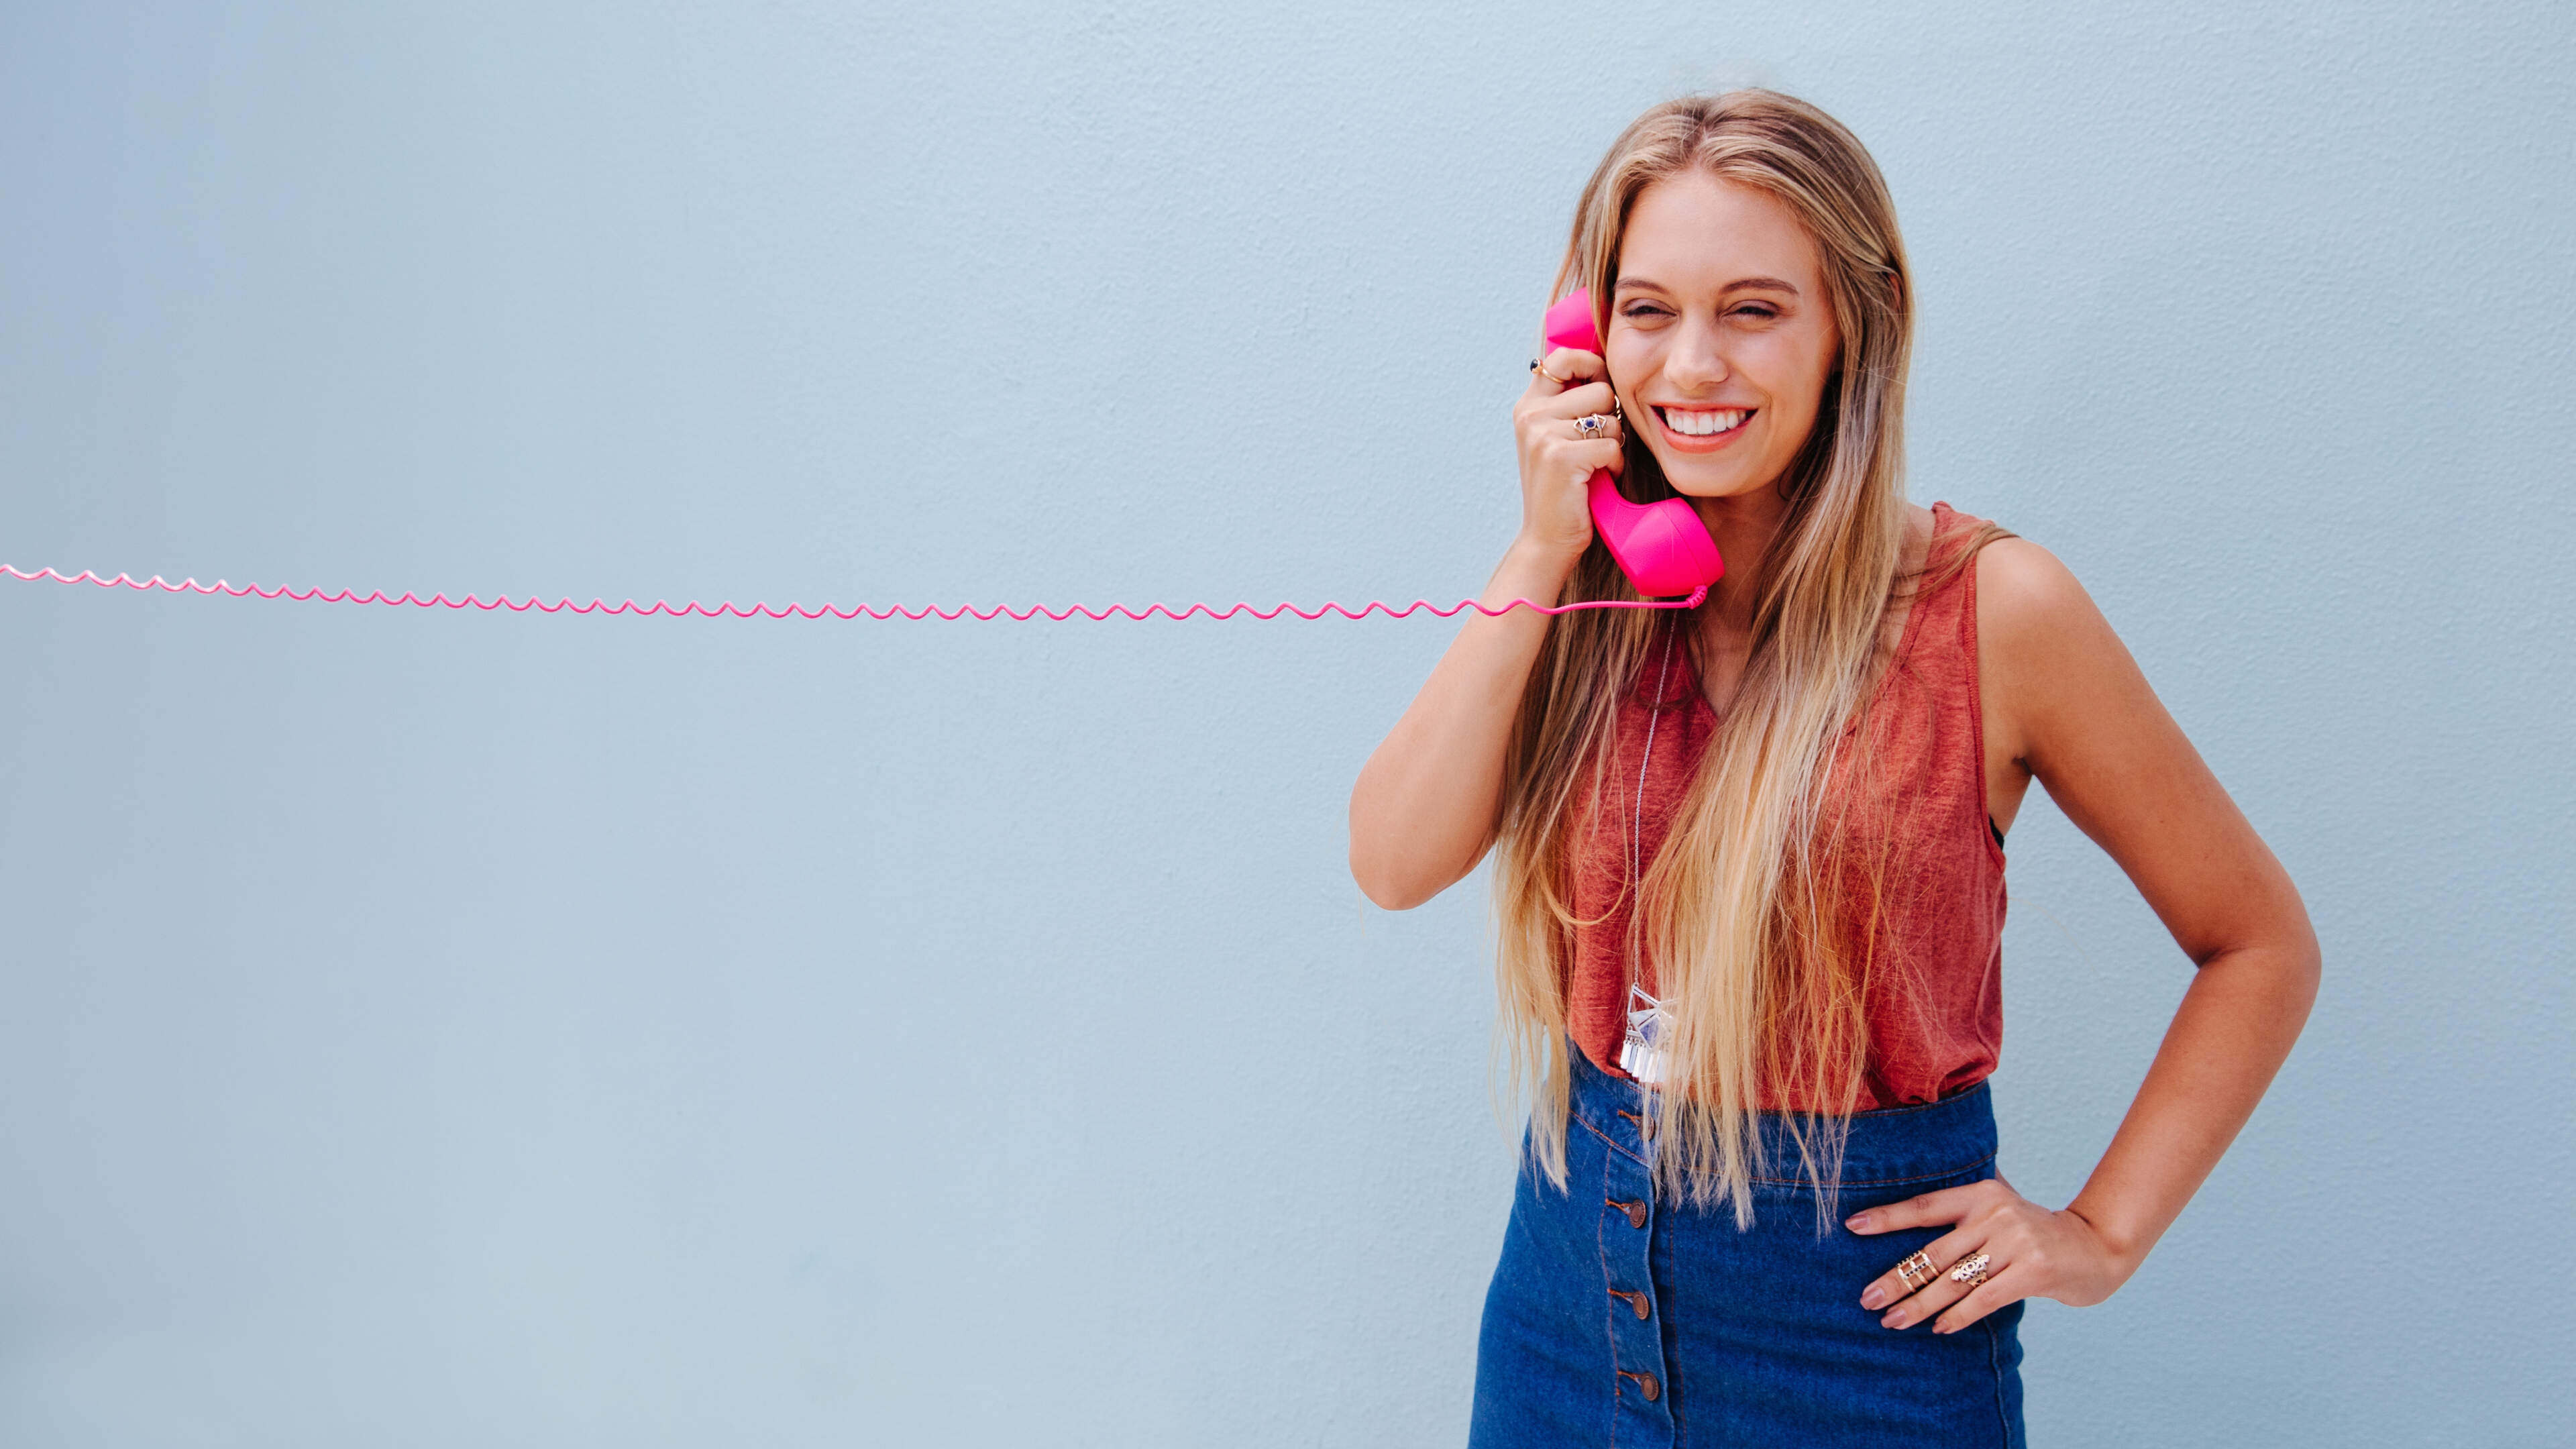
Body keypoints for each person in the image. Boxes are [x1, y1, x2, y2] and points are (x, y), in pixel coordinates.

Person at [1346, 91, 2318, 1448]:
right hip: (1567, 1305)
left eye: (1753, 309)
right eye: (1646, 310)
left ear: (1851, 324)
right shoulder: (1579, 597)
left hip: (1858, 1341)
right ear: (1583, 336)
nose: (1692, 366)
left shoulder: (1998, 611)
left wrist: (2099, 1234)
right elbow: (1392, 863)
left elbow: (2259, 944)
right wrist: (1536, 554)